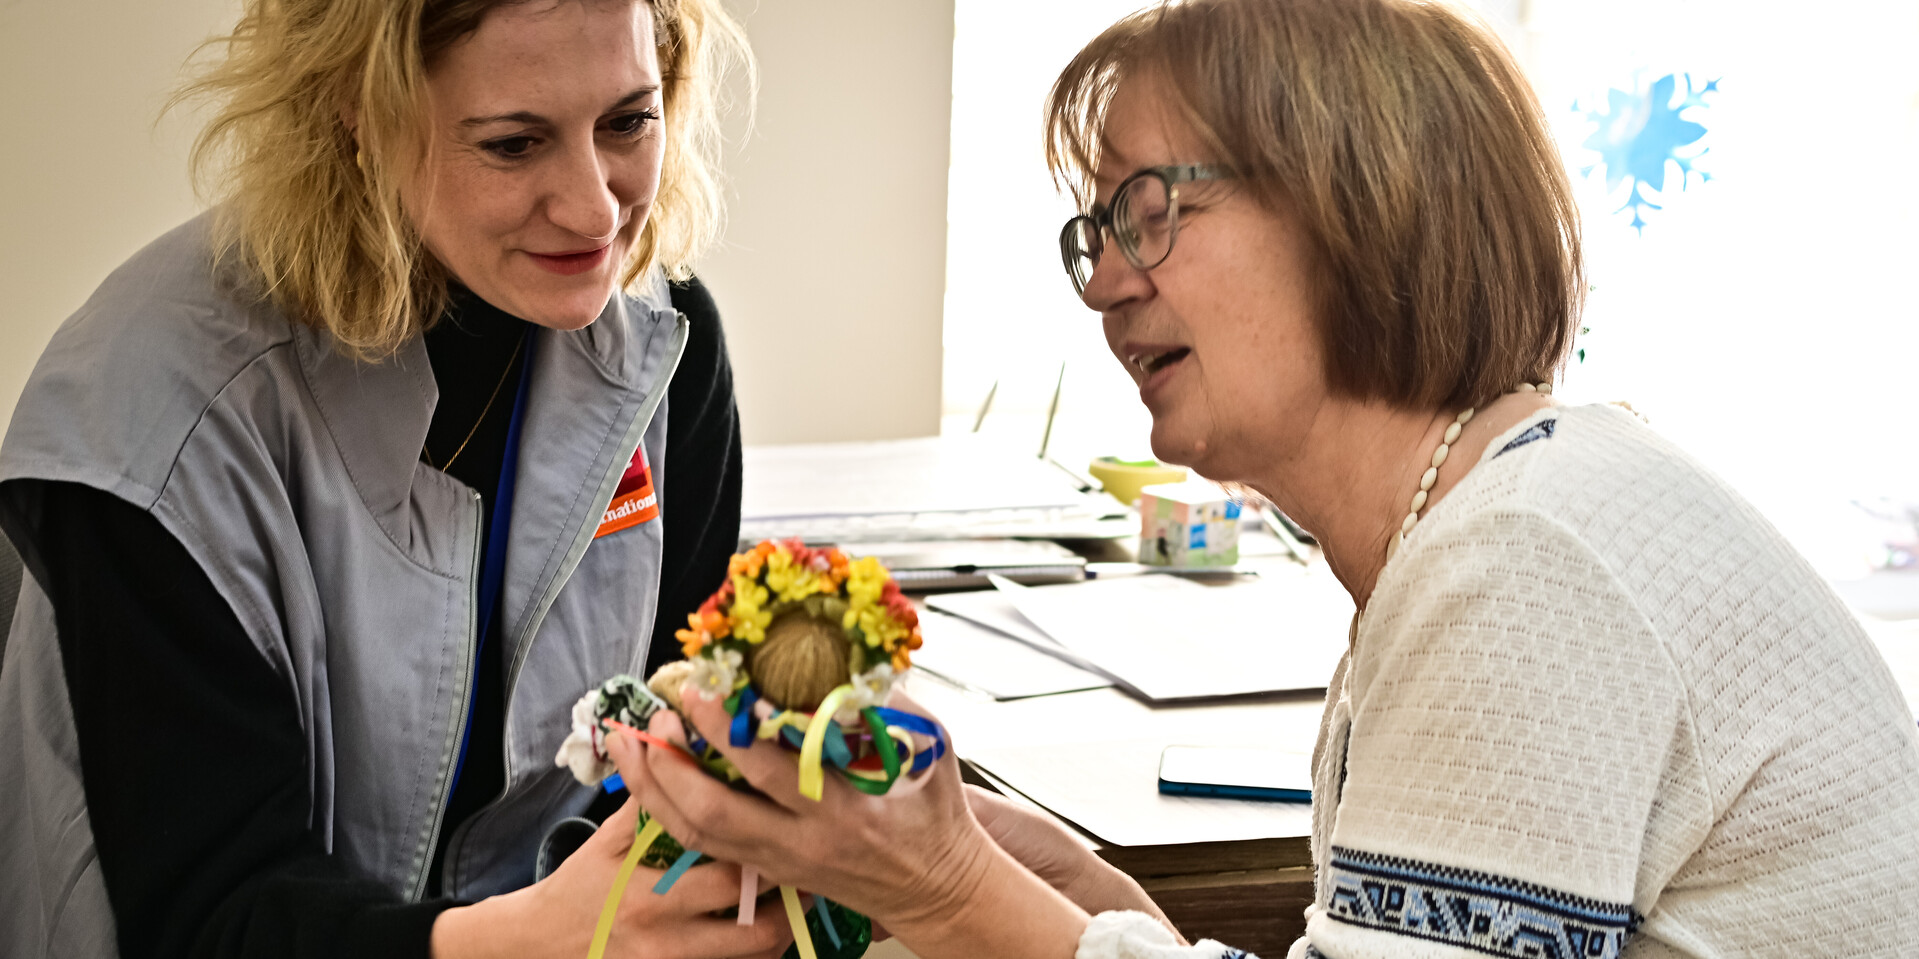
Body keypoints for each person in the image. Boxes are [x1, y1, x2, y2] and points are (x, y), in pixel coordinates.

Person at [605, 0, 1919, 956]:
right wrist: (1065, 881)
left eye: (1148, 209)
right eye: (1095, 232)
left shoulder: (1526, 560)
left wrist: (953, 887)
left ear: (1360, 196)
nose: (1108, 280)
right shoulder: (1485, 520)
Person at [0, 1, 793, 957]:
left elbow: (671, 755)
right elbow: (211, 917)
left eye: (628, 120)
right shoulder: (153, 413)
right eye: (513, 143)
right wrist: (548, 935)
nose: (595, 208)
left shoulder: (666, 350)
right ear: (356, 111)